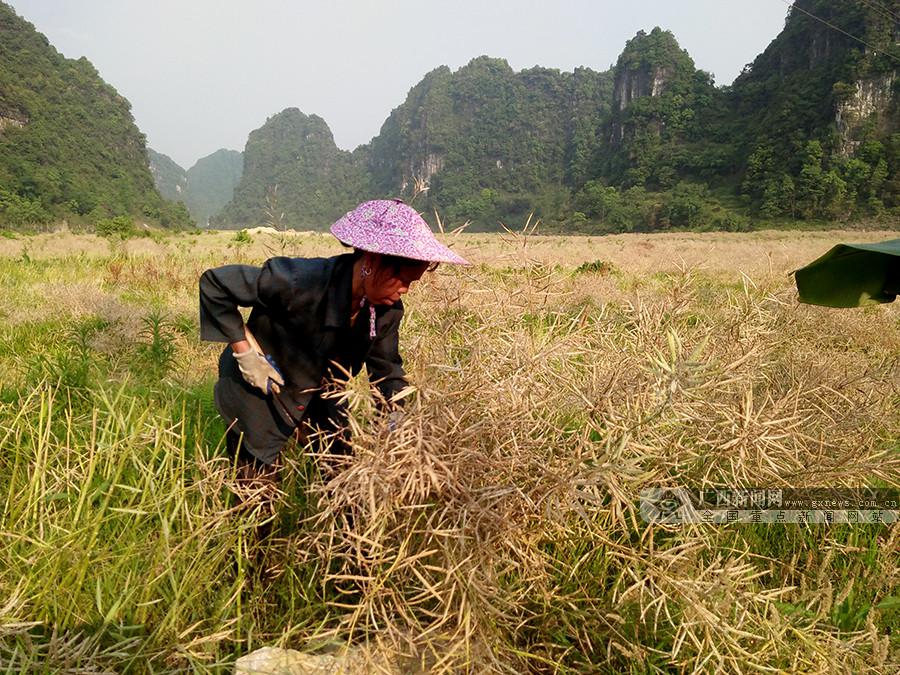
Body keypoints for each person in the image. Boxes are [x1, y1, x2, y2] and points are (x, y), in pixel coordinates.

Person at [199, 199, 469, 477]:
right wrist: (245, 354)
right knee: (255, 491)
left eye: (412, 283)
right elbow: (215, 284)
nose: (405, 290)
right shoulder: (298, 281)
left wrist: (396, 418)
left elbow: (387, 371)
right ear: (372, 261)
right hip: (259, 389)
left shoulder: (386, 312)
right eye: (402, 280)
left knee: (346, 483)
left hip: (323, 396)